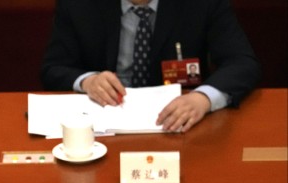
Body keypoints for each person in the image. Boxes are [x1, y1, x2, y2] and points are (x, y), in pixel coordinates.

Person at [40, 0, 261, 132]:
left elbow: (242, 62)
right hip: (101, 127)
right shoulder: (79, 4)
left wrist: (203, 98)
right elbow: (53, 68)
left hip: (178, 124)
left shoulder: (202, 3)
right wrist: (88, 81)